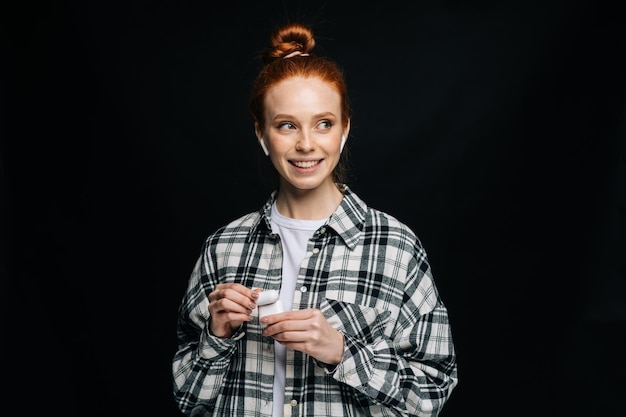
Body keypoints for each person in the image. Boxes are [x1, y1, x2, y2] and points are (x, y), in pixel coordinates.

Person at [172, 21, 458, 417]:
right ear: (261, 133)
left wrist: (341, 351)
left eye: (324, 123)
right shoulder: (223, 247)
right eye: (286, 125)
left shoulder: (395, 246)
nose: (306, 143)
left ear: (344, 130)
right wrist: (216, 335)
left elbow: (433, 390)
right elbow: (188, 399)